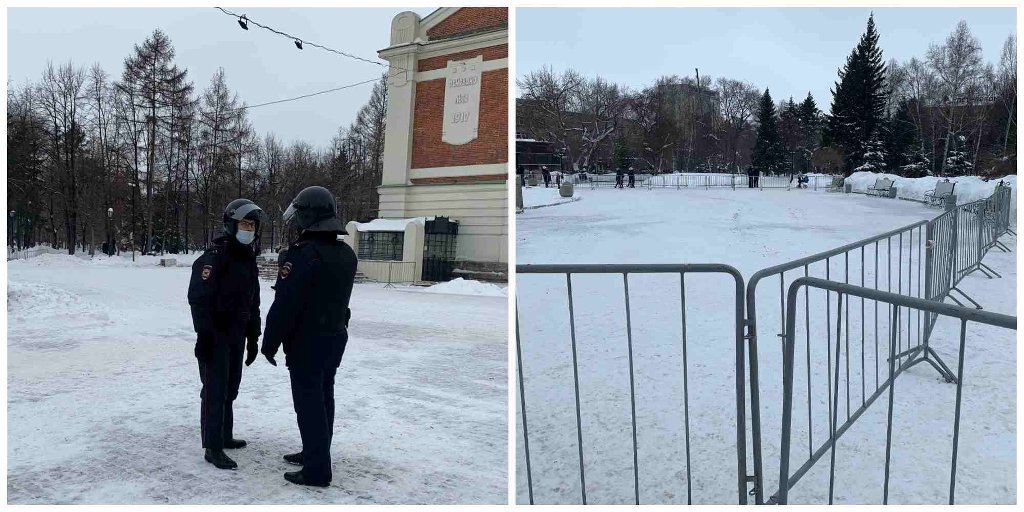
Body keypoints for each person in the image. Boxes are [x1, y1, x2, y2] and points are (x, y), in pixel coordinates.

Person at [261, 186, 357, 487]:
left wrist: (269, 342)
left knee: (308, 404)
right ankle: (315, 452)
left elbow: (285, 304)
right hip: (334, 337)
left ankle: (317, 469)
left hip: (307, 342)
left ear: (308, 216)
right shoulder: (346, 254)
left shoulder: (304, 255)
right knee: (323, 397)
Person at [187, 198, 265, 470]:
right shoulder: (214, 257)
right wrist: (204, 335)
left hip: (237, 335)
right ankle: (212, 445)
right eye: (244, 223)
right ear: (231, 224)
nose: (249, 228)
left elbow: (252, 301)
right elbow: (198, 298)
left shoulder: (247, 258)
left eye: (252, 224)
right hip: (215, 335)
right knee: (215, 390)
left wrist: (253, 336)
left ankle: (225, 434)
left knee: (231, 387)